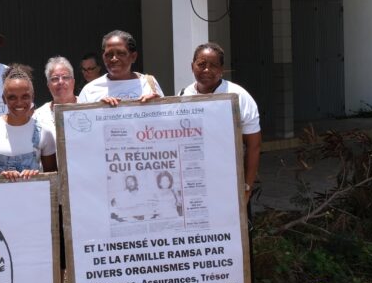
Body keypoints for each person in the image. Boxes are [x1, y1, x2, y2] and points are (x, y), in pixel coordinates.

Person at [178, 42, 262, 196]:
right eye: (201, 64)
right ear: (192, 66)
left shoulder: (239, 96)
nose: (206, 70)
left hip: (230, 182)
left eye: (213, 65)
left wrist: (247, 188)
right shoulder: (183, 96)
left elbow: (253, 146)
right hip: (196, 182)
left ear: (222, 69)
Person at [0, 64, 57, 180]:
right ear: (3, 99)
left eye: (25, 96)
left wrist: (35, 176)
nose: (19, 102)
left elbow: (52, 175)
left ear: (32, 97)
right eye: (12, 97)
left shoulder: (44, 132)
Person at [77, 30, 163, 106]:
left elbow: (166, 116)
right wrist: (98, 108)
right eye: (109, 55)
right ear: (103, 58)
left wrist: (157, 105)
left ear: (133, 57)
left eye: (121, 54)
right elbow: (79, 118)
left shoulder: (148, 84)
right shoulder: (90, 90)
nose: (114, 59)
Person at [33, 56, 77, 137]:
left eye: (65, 77)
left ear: (73, 82)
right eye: (55, 79)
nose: (60, 82)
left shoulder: (88, 107)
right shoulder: (38, 116)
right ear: (48, 85)